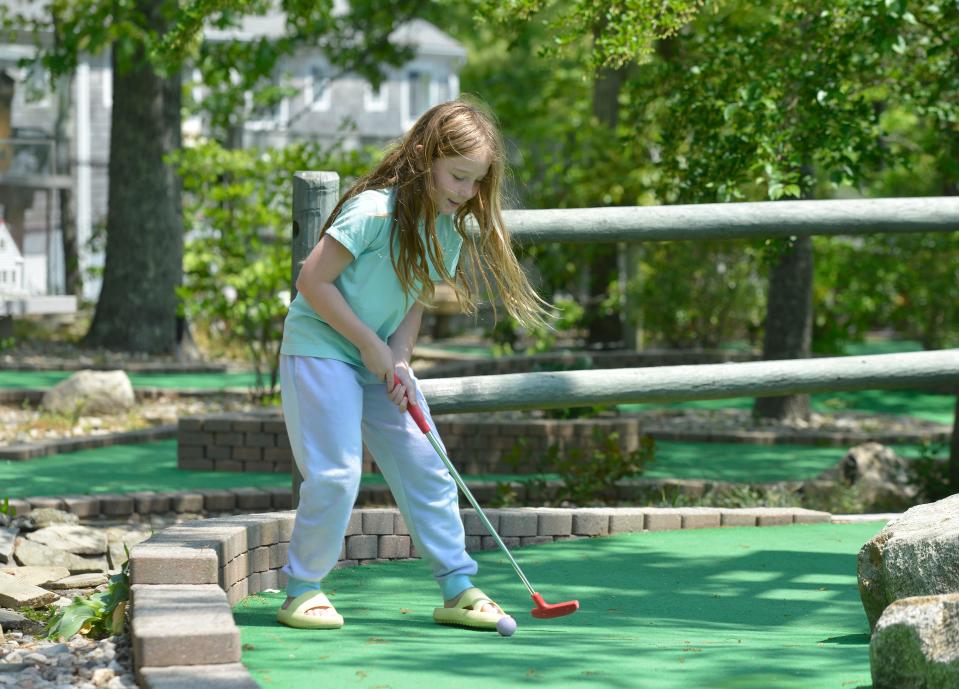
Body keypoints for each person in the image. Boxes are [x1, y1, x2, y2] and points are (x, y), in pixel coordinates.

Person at [276, 98, 551, 631]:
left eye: (477, 182)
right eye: (458, 176)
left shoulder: (446, 229)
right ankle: (302, 588)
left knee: (427, 463)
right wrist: (368, 344)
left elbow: (413, 299)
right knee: (335, 473)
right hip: (321, 347)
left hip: (376, 356)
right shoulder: (372, 212)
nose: (467, 192)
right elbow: (311, 282)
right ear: (425, 156)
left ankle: (456, 587)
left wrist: (399, 359)